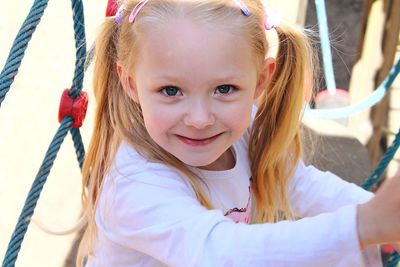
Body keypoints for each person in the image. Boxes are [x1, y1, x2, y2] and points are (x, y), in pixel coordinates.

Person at [77, 0, 400, 266]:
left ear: (261, 80)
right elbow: (221, 253)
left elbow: (298, 182)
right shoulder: (135, 184)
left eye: (225, 88)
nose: (200, 119)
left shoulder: (244, 128)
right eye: (171, 90)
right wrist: (365, 224)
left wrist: (376, 213)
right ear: (131, 83)